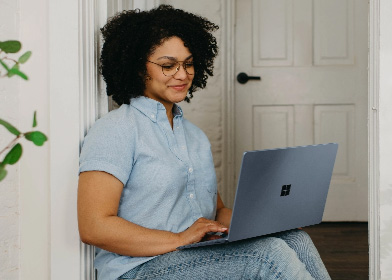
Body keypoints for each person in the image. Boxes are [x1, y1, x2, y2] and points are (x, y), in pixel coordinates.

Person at [77, 5, 331, 280]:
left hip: (193, 255)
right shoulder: (115, 130)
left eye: (188, 63)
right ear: (138, 68)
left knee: (294, 239)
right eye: (168, 65)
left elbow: (217, 212)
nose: (183, 74)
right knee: (267, 256)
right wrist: (181, 238)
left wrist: (269, 222)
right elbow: (94, 226)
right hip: (140, 267)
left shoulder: (194, 136)